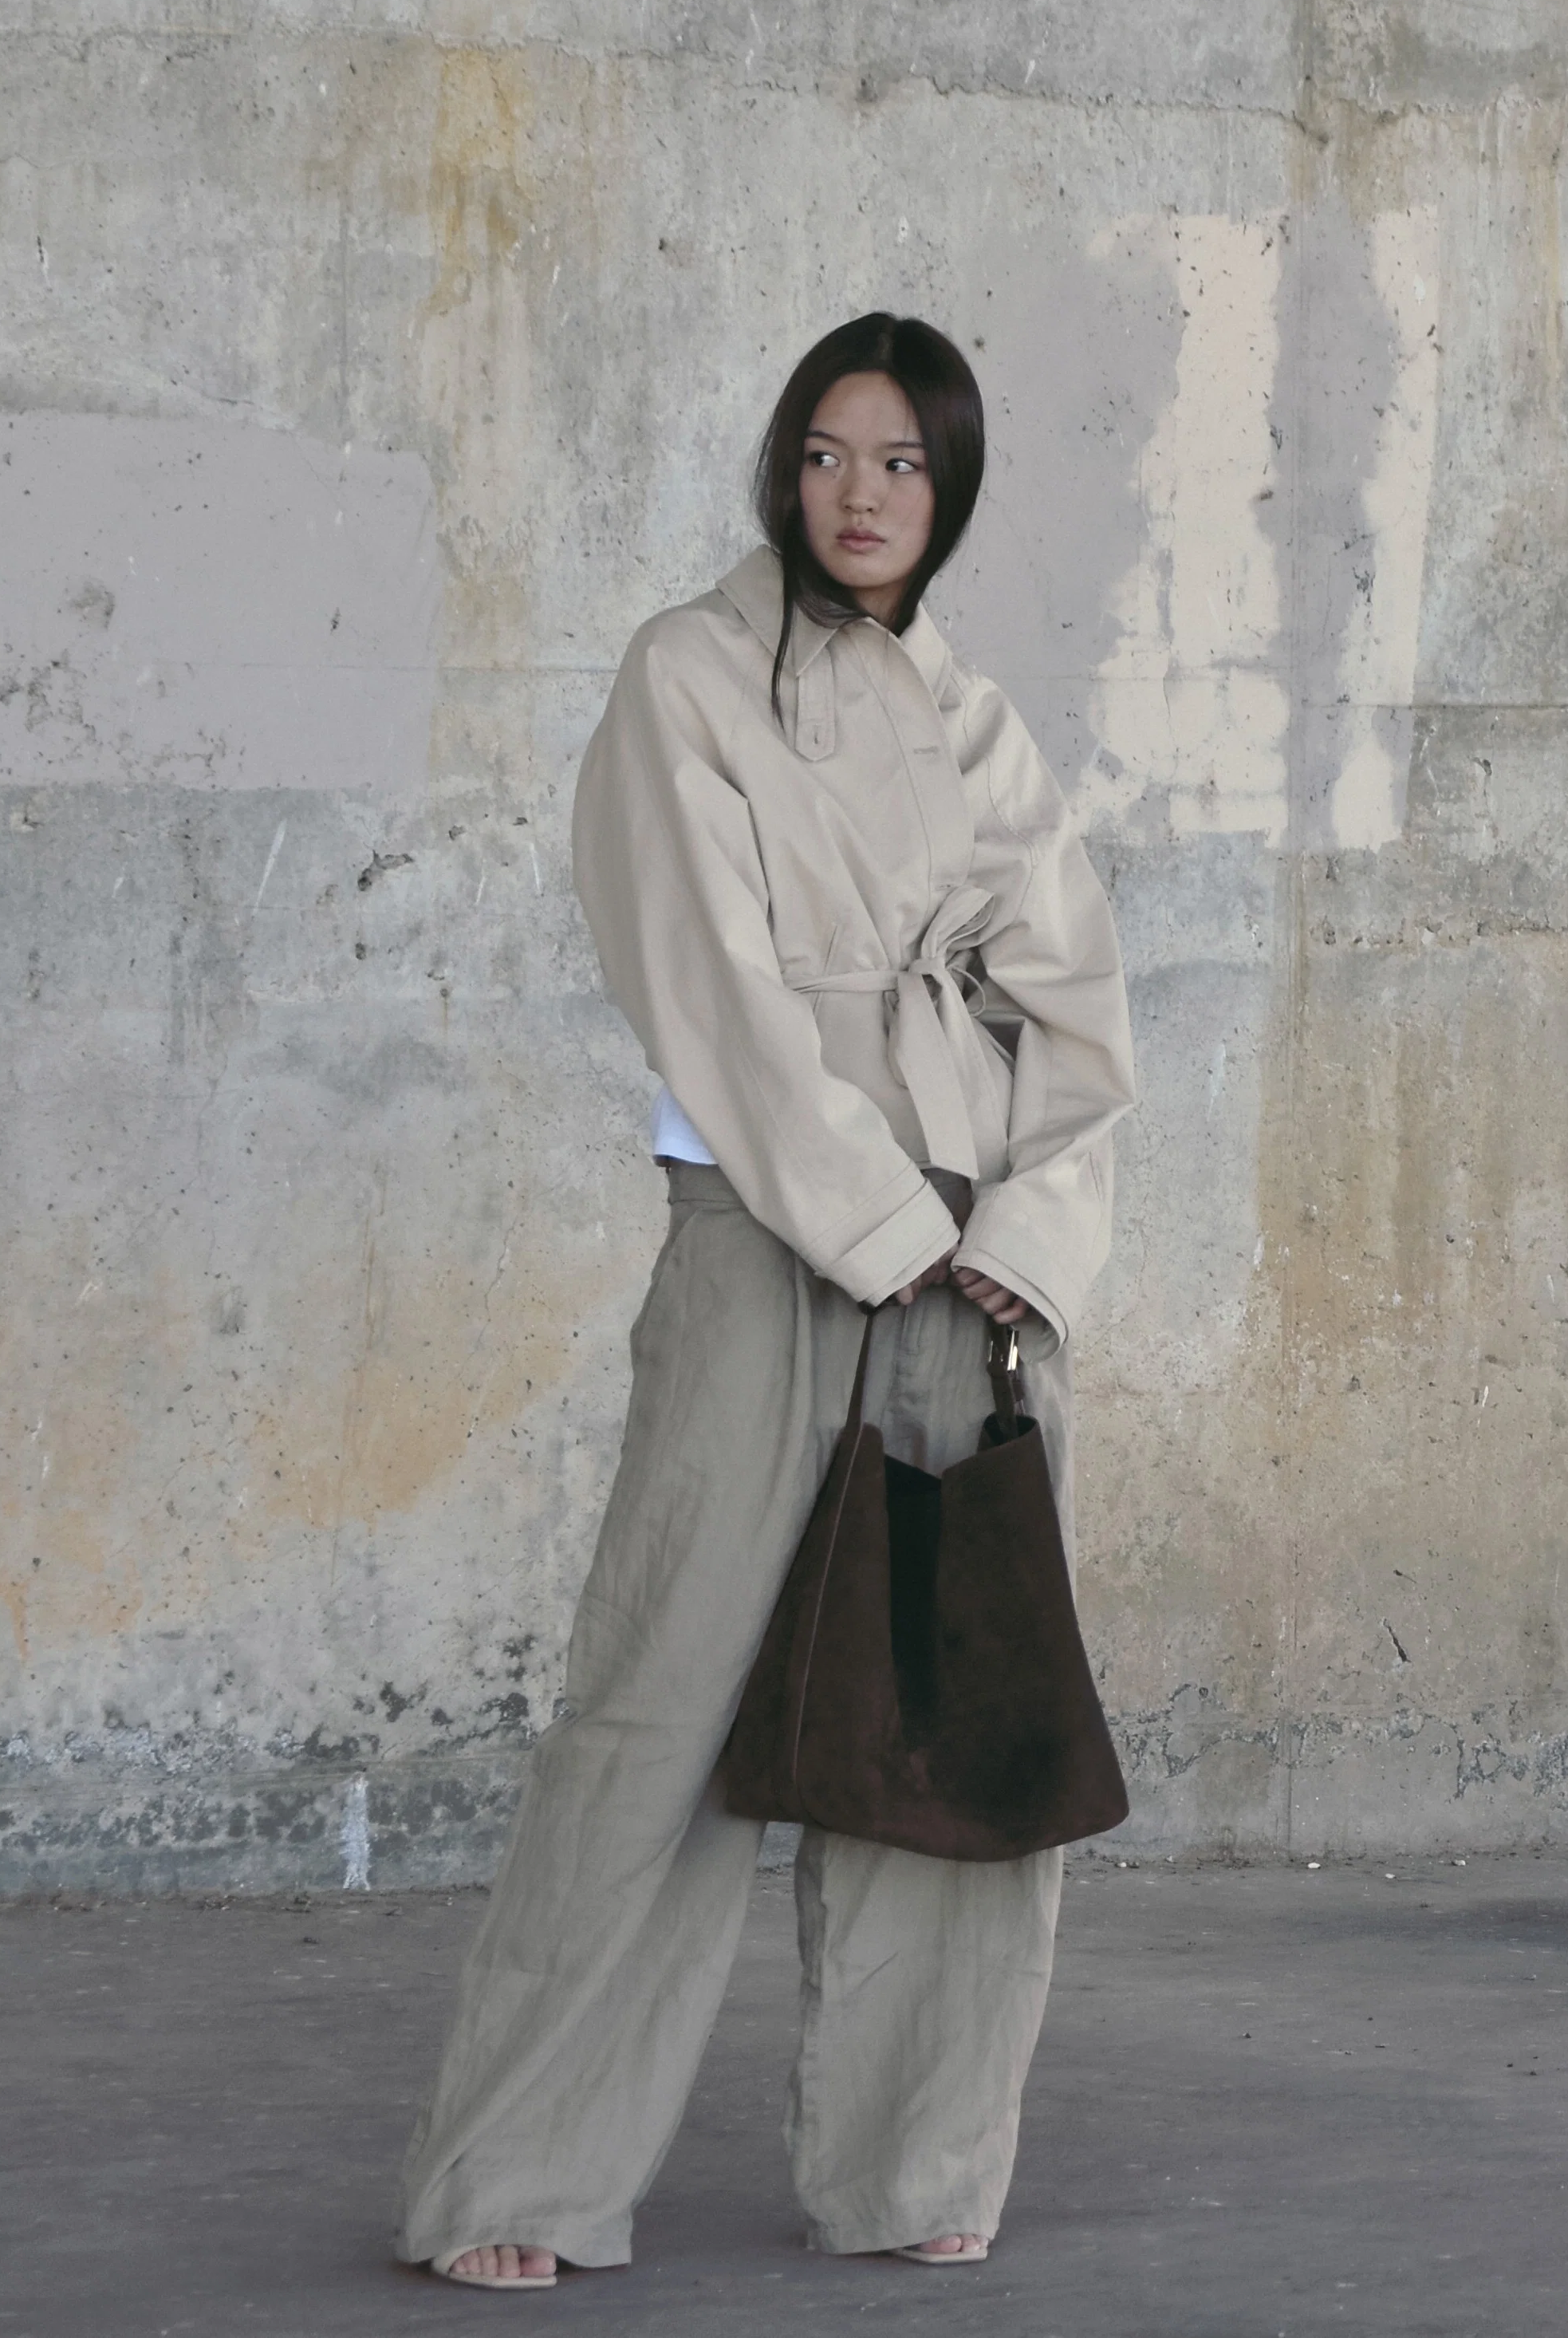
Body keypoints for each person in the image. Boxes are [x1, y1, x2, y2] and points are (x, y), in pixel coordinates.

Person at [396, 314, 1137, 2289]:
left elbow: (1082, 1018)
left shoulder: (981, 721)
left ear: (950, 486)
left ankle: (918, 2160)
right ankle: (522, 2171)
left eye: (899, 460)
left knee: (956, 1707)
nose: (859, 493)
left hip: (971, 1258)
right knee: (663, 1698)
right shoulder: (687, 680)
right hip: (775, 1231)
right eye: (824, 453)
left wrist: (1025, 1244)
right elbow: (711, 989)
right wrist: (879, 1220)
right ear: (779, 471)